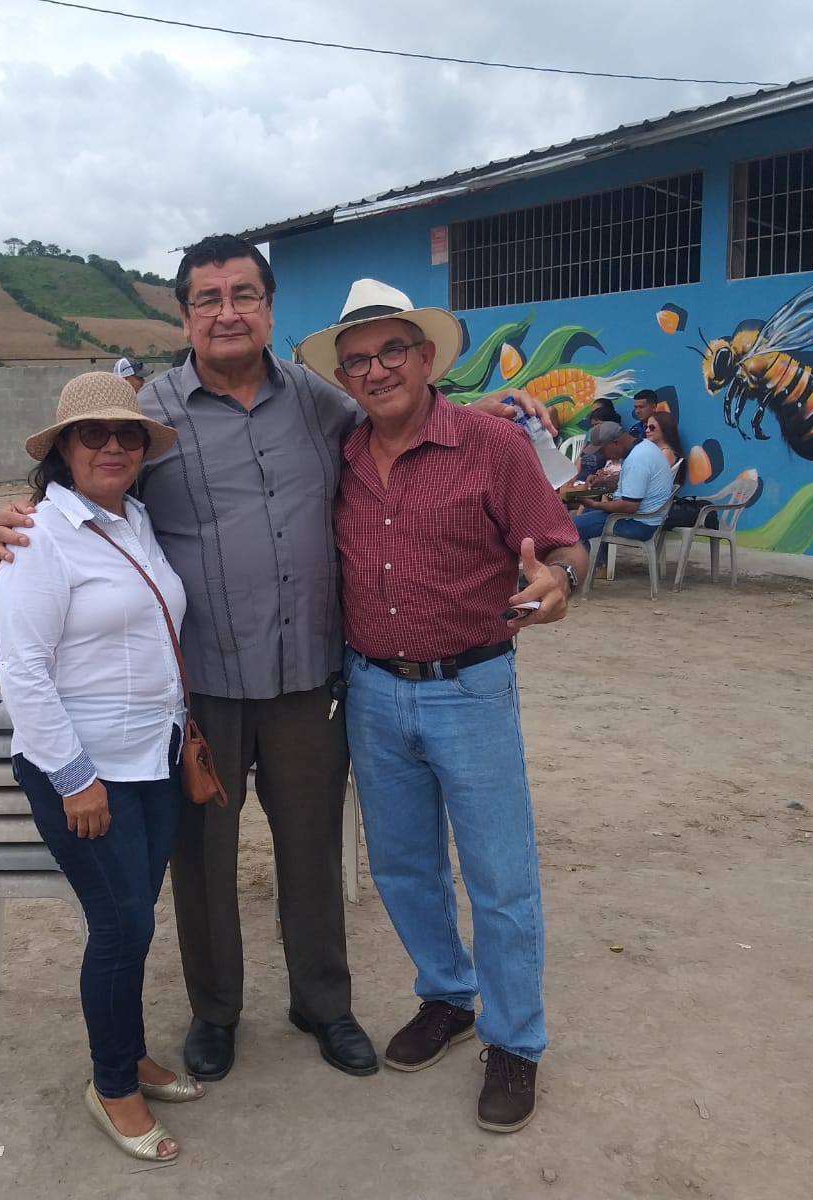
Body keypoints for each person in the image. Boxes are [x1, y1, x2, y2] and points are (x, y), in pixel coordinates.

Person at [0, 235, 557, 1085]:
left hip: (308, 682)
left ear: (268, 307)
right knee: (202, 862)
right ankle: (215, 1011)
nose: (227, 313)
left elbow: (403, 414)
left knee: (311, 851)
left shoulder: (321, 404)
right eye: (208, 298)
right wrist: (8, 518)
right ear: (184, 315)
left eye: (243, 296)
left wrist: (484, 412)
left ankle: (323, 1004)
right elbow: (82, 491)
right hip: (202, 689)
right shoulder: (148, 419)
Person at [297, 279, 586, 1133]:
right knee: (403, 867)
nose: (376, 369)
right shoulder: (340, 454)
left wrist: (559, 582)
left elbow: (563, 544)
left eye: (392, 350)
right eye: (357, 361)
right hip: (371, 689)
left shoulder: (492, 446)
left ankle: (514, 1040)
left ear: (425, 357)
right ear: (343, 380)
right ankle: (447, 997)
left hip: (471, 686)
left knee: (500, 876)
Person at [0, 372, 202, 1163]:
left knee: (134, 917)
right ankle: (112, 1085)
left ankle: (130, 1052)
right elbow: (22, 669)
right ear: (63, 450)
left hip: (152, 756)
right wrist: (74, 777)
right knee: (121, 926)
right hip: (82, 768)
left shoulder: (135, 520)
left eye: (127, 434)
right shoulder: (38, 535)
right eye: (93, 434)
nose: (113, 446)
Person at [572, 422, 675, 545]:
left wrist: (596, 504)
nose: (602, 455)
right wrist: (603, 481)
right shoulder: (644, 445)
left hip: (639, 523)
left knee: (569, 528)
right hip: (647, 518)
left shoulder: (636, 460)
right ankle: (598, 557)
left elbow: (629, 506)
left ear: (615, 442)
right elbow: (631, 480)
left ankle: (584, 555)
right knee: (587, 513)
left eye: (602, 450)